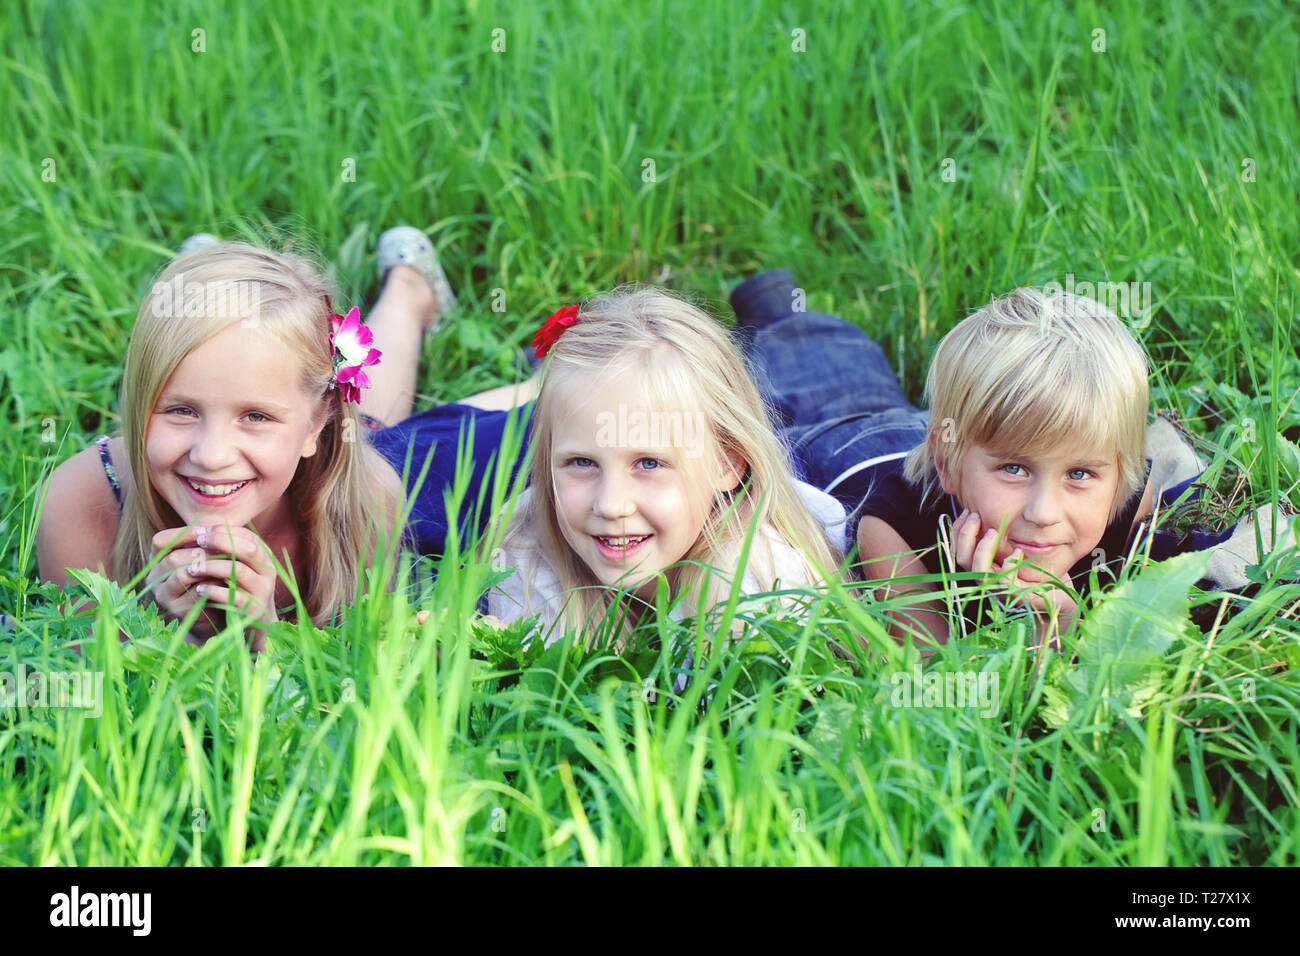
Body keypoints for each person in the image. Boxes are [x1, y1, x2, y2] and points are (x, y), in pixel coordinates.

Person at [728, 271, 1290, 648]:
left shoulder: (1118, 507)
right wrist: (1010, 613)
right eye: (1016, 471)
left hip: (957, 435)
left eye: (1079, 474)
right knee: (809, 370)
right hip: (839, 452)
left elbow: (1186, 586)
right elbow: (929, 671)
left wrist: (1062, 623)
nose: (1044, 512)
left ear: (1118, 474)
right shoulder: (892, 531)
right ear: (948, 469)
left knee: (874, 393)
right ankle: (778, 305)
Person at [35, 231, 525, 649]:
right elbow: (95, 688)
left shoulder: (368, 502)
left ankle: (408, 290)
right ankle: (217, 285)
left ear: (317, 425)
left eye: (255, 416)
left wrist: (263, 634)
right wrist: (173, 637)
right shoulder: (83, 502)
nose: (211, 455)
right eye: (181, 410)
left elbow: (344, 687)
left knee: (396, 425)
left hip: (360, 450)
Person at [485, 287, 846, 647]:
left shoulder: (758, 583)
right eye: (582, 462)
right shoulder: (525, 547)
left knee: (813, 354)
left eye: (648, 463)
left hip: (840, 441)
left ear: (726, 464)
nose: (611, 505)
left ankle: (781, 312)